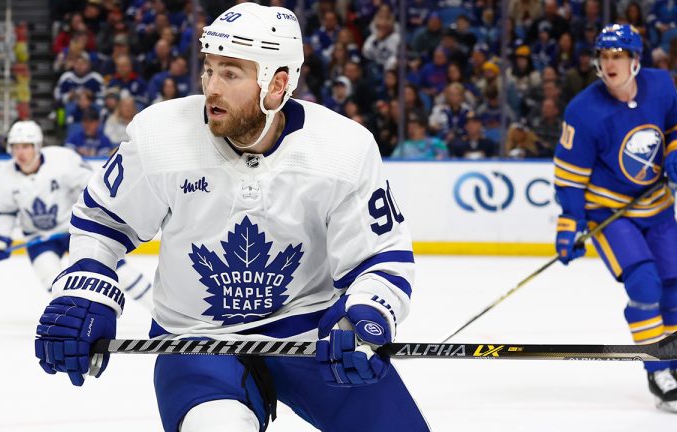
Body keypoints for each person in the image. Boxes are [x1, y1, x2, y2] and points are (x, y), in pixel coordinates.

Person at [33, 4, 429, 432]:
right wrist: (87, 287)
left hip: (313, 337)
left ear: (278, 85)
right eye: (209, 69)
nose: (211, 88)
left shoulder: (342, 149)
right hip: (196, 340)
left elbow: (380, 255)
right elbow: (103, 221)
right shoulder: (161, 134)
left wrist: (366, 314)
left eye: (231, 73)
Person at [553, 24, 677, 414]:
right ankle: (657, 368)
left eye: (617, 56)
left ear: (635, 60)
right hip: (610, 213)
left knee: (671, 289)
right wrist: (569, 223)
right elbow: (569, 178)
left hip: (657, 205)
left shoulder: (660, 84)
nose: (610, 64)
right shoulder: (583, 110)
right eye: (604, 57)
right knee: (644, 284)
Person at [0, 121, 151, 306]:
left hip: (76, 229)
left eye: (26, 146)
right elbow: (5, 212)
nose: (21, 153)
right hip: (38, 239)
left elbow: (90, 189)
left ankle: (159, 313)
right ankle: (77, 319)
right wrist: (1, 240)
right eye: (16, 147)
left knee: (118, 271)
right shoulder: (4, 176)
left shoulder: (63, 160)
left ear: (38, 146)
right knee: (55, 283)